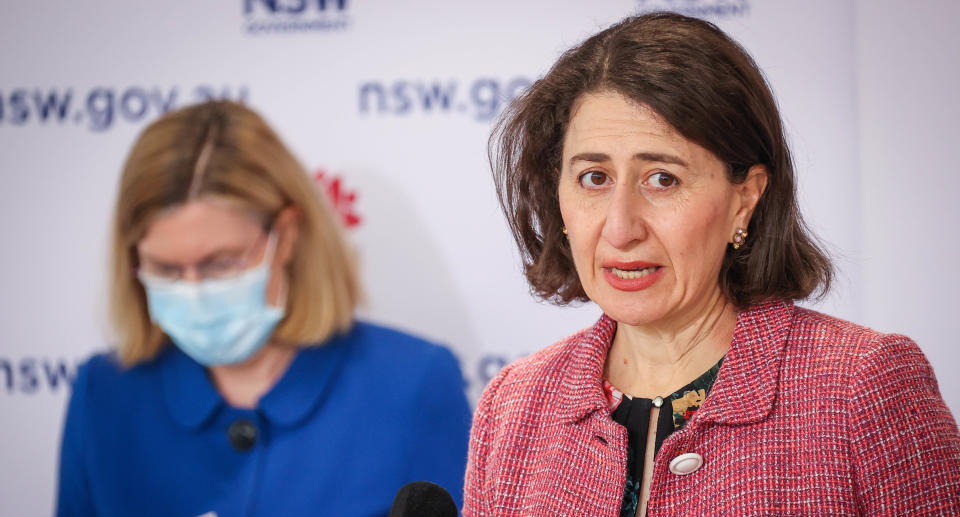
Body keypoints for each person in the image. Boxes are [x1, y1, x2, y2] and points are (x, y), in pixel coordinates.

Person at [464, 12, 960, 517]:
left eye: (662, 179)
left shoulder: (862, 387)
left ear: (744, 199)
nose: (620, 228)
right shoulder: (515, 406)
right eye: (594, 178)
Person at [56, 101, 471, 517]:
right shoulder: (104, 394)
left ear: (285, 235)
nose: (194, 290)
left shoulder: (412, 383)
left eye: (221, 262)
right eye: (166, 269)